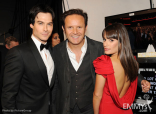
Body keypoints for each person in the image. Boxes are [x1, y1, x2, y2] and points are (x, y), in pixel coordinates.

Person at [53, 9, 150, 114]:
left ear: (86, 28)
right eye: (70, 27)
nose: (75, 32)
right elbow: (54, 85)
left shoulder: (101, 48)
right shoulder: (55, 51)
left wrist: (142, 81)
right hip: (65, 109)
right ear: (63, 28)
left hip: (92, 108)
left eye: (79, 27)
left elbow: (125, 63)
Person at [1, 4, 56, 114]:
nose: (46, 29)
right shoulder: (18, 52)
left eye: (49, 24)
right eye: (40, 23)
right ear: (31, 24)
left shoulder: (53, 51)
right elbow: (8, 95)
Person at [93, 23, 139, 114]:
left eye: (111, 40)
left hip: (107, 110)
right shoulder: (132, 62)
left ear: (122, 42)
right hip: (126, 110)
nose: (105, 44)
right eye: (104, 39)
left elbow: (97, 95)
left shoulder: (105, 63)